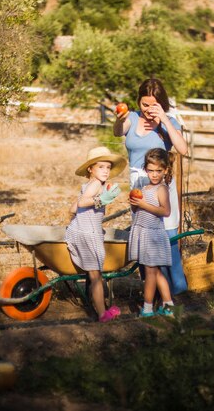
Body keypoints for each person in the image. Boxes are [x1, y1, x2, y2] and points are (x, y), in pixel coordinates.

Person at [113, 78, 189, 295]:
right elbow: (118, 132)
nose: (147, 109)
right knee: (145, 236)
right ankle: (152, 291)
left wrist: (164, 119)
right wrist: (119, 119)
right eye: (144, 104)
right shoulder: (133, 117)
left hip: (160, 185)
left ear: (161, 103)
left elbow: (183, 149)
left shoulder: (169, 121)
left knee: (167, 235)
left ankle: (177, 289)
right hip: (138, 183)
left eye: (152, 105)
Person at [65, 146, 126, 323]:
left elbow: (74, 206)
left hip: (82, 230)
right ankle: (102, 314)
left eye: (108, 167)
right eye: (101, 167)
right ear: (90, 169)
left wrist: (76, 213)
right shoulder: (95, 184)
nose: (105, 171)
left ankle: (102, 308)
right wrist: (102, 199)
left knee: (95, 275)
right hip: (87, 234)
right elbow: (84, 201)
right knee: (96, 276)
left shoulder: (90, 185)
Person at [128, 148, 175, 317]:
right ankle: (169, 307)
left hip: (153, 235)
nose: (154, 175)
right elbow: (137, 209)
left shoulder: (161, 189)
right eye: (151, 170)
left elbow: (166, 211)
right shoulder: (144, 187)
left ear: (165, 170)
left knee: (149, 273)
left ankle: (147, 308)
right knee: (156, 272)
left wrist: (143, 205)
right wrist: (134, 202)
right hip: (143, 232)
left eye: (158, 171)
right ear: (145, 169)